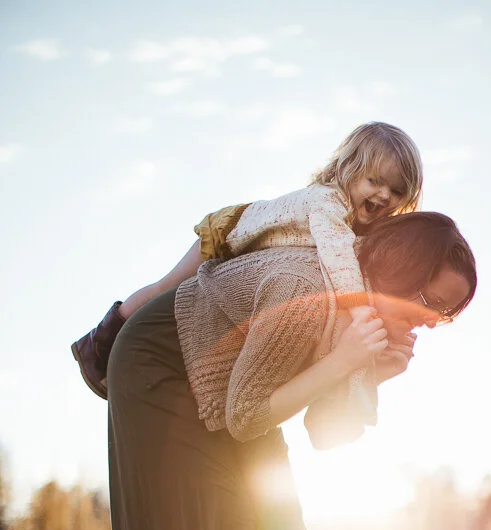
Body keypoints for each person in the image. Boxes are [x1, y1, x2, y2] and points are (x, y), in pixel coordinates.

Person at [108, 211, 476, 530]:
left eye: (442, 314)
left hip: (232, 389)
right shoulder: (302, 291)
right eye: (427, 302)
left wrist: (373, 373)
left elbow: (324, 432)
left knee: (281, 520)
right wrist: (345, 361)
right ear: (399, 272)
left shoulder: (355, 313)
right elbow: (245, 416)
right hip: (161, 366)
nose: (427, 321)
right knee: (209, 524)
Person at [73, 120, 424, 437]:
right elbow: (338, 261)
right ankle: (99, 342)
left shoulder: (358, 225)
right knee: (168, 286)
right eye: (374, 181)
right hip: (230, 234)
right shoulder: (328, 203)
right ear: (348, 169)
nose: (383, 195)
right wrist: (361, 311)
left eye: (395, 191)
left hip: (249, 262)